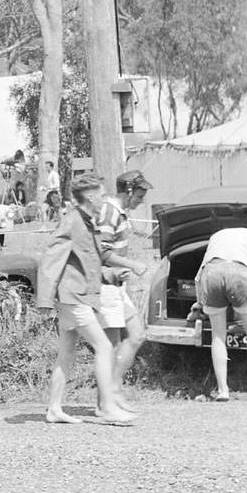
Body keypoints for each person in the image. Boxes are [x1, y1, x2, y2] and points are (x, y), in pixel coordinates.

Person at [35, 174, 135, 425]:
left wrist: (112, 273)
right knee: (103, 346)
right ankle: (108, 408)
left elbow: (89, 261)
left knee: (66, 353)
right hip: (72, 297)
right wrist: (44, 300)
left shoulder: (86, 222)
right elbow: (51, 257)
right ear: (90, 197)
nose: (103, 200)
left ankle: (54, 409)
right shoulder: (73, 221)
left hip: (77, 296)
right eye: (101, 195)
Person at [197, 225, 247, 401]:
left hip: (212, 274)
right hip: (240, 274)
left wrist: (199, 302)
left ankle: (222, 391)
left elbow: (199, 274)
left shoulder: (216, 235)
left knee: (218, 335)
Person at [96, 170, 153, 406]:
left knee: (137, 334)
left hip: (118, 285)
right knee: (111, 345)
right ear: (128, 191)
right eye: (139, 195)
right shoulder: (109, 211)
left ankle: (114, 388)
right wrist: (132, 264)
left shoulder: (119, 212)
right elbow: (102, 250)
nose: (141, 201)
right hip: (106, 285)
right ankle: (106, 400)